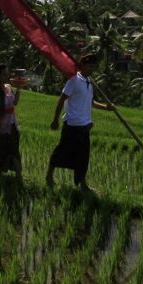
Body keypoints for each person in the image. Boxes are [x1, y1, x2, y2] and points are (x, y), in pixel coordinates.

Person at [46, 54, 109, 192]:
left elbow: (91, 103)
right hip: (72, 125)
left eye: (94, 66)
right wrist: (55, 120)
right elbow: (61, 99)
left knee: (83, 157)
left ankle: (82, 184)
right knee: (62, 151)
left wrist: (106, 107)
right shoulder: (74, 80)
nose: (92, 69)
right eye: (90, 66)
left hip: (85, 126)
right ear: (83, 66)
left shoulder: (89, 84)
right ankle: (49, 176)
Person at [0, 64, 22, 177]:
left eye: (7, 74)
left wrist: (19, 88)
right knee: (1, 149)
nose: (6, 76)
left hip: (12, 123)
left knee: (14, 149)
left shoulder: (8, 87)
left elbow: (15, 102)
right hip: (2, 125)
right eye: (4, 74)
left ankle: (19, 174)